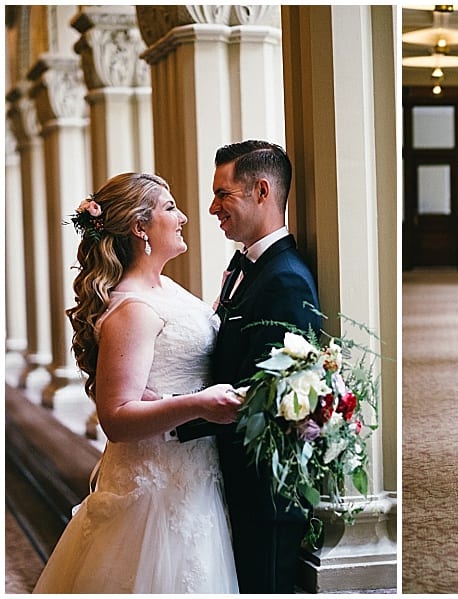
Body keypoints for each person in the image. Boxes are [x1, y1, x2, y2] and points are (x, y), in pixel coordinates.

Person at [33, 173, 241, 593]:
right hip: (157, 491)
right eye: (169, 208)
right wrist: (198, 403)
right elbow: (117, 418)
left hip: (193, 474)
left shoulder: (163, 287)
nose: (182, 216)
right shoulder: (134, 307)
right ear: (139, 227)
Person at [175, 140, 322, 593]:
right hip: (233, 476)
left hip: (265, 493)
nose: (212, 207)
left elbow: (266, 401)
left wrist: (172, 418)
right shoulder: (248, 266)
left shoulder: (285, 279)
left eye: (223, 194)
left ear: (261, 190)